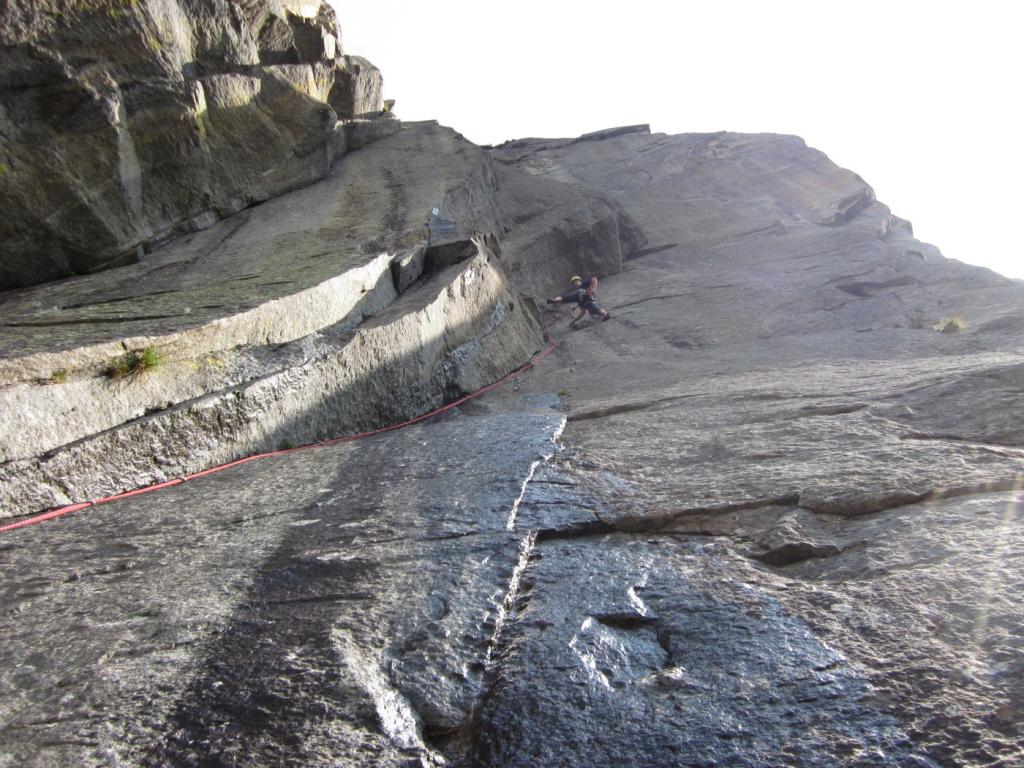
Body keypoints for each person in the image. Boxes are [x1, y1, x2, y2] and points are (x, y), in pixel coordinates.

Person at [546, 275, 611, 328]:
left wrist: (593, 289)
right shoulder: (577, 296)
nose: (575, 283)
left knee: (593, 310)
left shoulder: (584, 284)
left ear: (580, 281)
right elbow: (582, 312)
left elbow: (594, 279)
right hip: (586, 303)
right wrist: (573, 321)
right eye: (574, 283)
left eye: (576, 281)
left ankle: (605, 314)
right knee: (591, 314)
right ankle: (554, 300)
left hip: (589, 301)